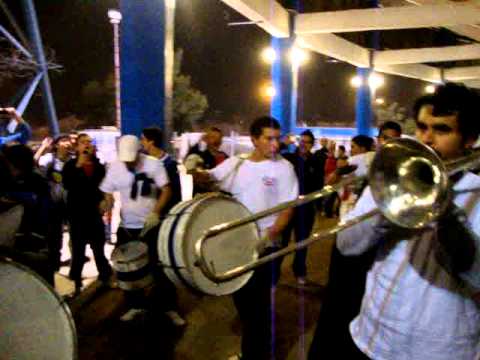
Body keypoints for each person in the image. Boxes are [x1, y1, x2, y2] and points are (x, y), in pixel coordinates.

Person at [335, 83, 480, 359]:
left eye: (442, 129)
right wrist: (388, 204)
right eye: (423, 127)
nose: (427, 139)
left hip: (441, 348)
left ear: (470, 139)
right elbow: (347, 245)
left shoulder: (477, 193)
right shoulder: (391, 175)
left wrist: (447, 216)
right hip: (374, 334)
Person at [194, 116, 299, 360]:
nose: (275, 144)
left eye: (277, 138)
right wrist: (194, 167)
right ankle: (254, 349)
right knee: (242, 298)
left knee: (258, 304)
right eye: (268, 138)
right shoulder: (237, 164)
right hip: (236, 242)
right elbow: (208, 178)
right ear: (254, 140)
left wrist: (270, 236)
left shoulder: (284, 168)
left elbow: (288, 208)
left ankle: (256, 354)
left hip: (266, 245)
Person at [309, 127, 401, 360]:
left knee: (349, 297)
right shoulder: (362, 161)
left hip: (369, 237)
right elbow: (329, 184)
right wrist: (340, 171)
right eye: (383, 139)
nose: (352, 151)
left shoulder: (375, 161)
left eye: (391, 139)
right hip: (348, 228)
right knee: (340, 296)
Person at [100, 134, 185, 325]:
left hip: (152, 225)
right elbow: (107, 190)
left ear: (140, 151)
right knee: (129, 270)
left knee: (162, 268)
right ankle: (135, 306)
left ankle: (169, 308)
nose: (129, 164)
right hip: (127, 227)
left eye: (132, 160)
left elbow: (167, 190)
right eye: (126, 161)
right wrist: (107, 202)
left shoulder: (154, 164)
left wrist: (156, 213)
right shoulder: (115, 167)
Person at [62, 133, 112, 295]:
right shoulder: (70, 166)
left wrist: (106, 201)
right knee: (78, 252)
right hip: (77, 215)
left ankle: (105, 277)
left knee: (99, 248)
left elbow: (105, 187)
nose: (87, 145)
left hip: (94, 213)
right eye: (83, 143)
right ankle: (74, 283)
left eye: (89, 142)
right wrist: (79, 164)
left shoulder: (99, 166)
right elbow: (68, 184)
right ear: (77, 147)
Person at [281, 130, 324, 285]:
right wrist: (283, 144)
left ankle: (299, 271)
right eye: (301, 141)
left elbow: (319, 184)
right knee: (282, 241)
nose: (303, 144)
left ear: (312, 145)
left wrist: (318, 205)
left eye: (307, 142)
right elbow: (272, 154)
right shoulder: (289, 158)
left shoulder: (316, 161)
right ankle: (274, 273)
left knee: (302, 242)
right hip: (287, 207)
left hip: (305, 208)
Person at [185, 127, 228, 194]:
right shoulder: (200, 156)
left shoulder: (225, 157)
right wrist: (199, 142)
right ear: (206, 139)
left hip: (222, 196)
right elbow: (189, 163)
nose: (216, 141)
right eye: (213, 137)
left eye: (219, 138)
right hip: (203, 196)